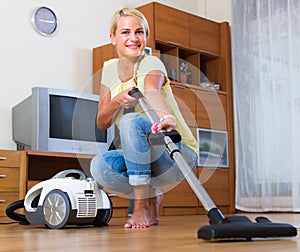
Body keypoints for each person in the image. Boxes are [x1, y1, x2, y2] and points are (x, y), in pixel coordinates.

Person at [90, 8, 198, 228]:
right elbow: (102, 121)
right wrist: (118, 101)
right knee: (99, 166)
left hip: (175, 153)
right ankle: (151, 196)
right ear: (113, 37)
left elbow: (151, 91)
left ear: (145, 37)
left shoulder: (150, 64)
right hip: (144, 156)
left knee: (131, 122)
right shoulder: (109, 70)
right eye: (125, 32)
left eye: (139, 32)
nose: (133, 38)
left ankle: (141, 208)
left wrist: (165, 117)